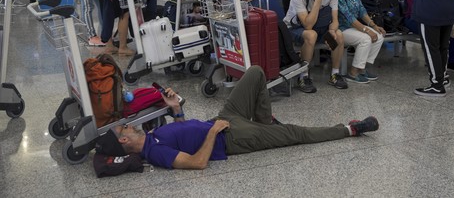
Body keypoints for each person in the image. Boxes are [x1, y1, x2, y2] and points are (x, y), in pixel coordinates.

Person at [107, 66, 379, 169]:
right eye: (125, 131)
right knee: (296, 133)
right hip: (231, 137)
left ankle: (266, 124)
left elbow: (183, 133)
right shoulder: (155, 154)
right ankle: (350, 128)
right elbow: (197, 162)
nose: (129, 127)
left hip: (222, 119)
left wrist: (176, 110)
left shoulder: (153, 136)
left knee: (256, 72)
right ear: (125, 143)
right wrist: (214, 132)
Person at [284, 0, 347, 92]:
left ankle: (334, 74)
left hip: (321, 27)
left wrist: (332, 30)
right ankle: (303, 76)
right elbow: (307, 25)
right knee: (311, 35)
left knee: (339, 36)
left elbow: (335, 20)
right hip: (296, 29)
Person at [330, 0, 385, 84]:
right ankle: (353, 73)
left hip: (354, 26)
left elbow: (361, 9)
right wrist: (366, 30)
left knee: (379, 36)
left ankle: (361, 68)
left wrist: (374, 26)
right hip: (341, 29)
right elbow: (347, 15)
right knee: (366, 38)